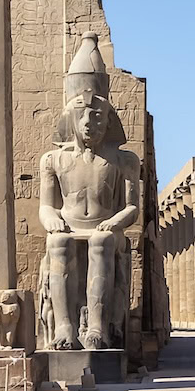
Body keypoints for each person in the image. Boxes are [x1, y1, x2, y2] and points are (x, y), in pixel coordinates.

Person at [37, 34, 139, 350]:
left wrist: (116, 222)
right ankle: (65, 329)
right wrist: (51, 219)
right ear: (69, 119)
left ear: (109, 121)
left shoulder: (124, 159)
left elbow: (131, 207)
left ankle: (97, 328)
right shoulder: (53, 159)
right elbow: (46, 206)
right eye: (81, 116)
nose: (88, 123)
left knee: (101, 240)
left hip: (106, 225)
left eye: (97, 117)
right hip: (68, 224)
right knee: (58, 243)